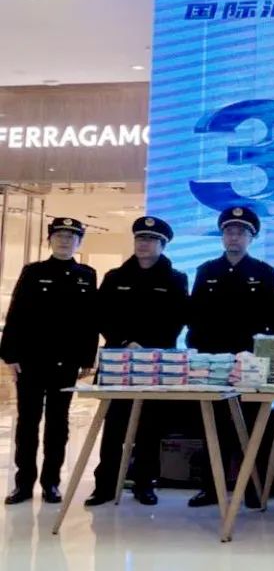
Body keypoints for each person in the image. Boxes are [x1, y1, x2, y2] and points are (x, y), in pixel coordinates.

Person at [84, 216, 188, 506]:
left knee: (150, 426)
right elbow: (101, 315)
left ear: (163, 245)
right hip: (118, 360)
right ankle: (105, 485)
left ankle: (144, 482)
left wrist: (146, 346)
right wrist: (125, 341)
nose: (144, 244)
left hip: (155, 361)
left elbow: (177, 319)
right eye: (140, 238)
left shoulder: (175, 278)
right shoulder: (115, 277)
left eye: (151, 239)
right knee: (113, 426)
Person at [186, 206, 274, 507]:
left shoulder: (264, 272)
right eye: (229, 231)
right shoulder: (207, 271)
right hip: (213, 362)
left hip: (249, 361)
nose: (234, 237)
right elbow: (195, 316)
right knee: (213, 426)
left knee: (252, 426)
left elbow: (273, 319)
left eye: (241, 232)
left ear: (251, 237)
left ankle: (252, 487)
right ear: (222, 236)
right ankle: (211, 487)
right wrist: (198, 355)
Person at [1, 217, 98, 505]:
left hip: (66, 361)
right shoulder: (33, 272)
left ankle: (51, 482)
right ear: (50, 240)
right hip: (31, 360)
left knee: (58, 423)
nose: (64, 241)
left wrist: (87, 358)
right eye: (59, 236)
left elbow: (90, 320)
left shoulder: (86, 275)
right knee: (27, 423)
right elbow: (16, 313)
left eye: (71, 237)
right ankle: (23, 484)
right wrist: (10, 354)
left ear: (79, 242)